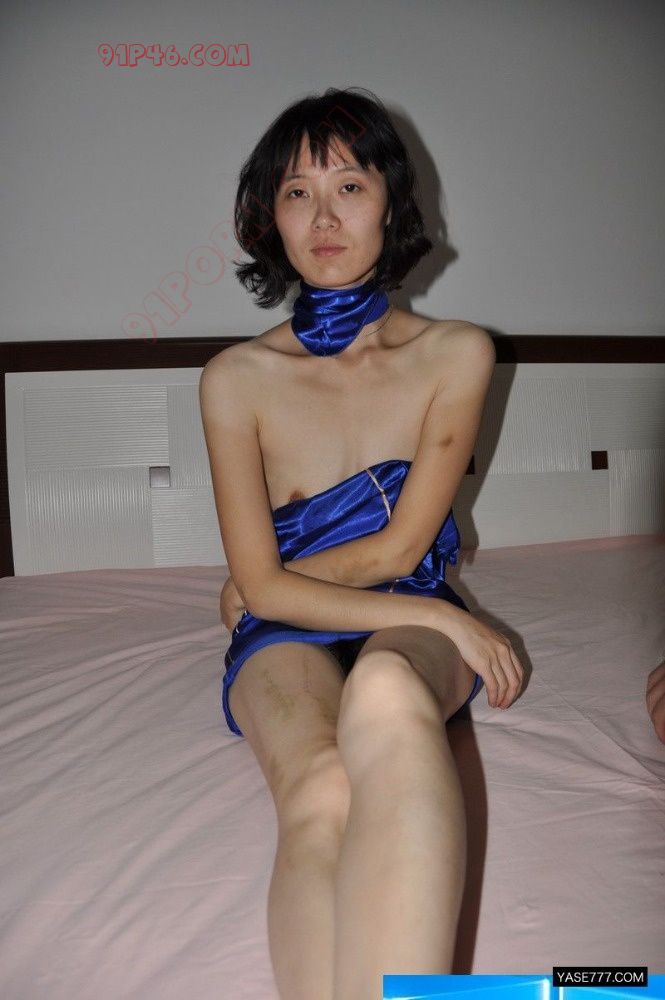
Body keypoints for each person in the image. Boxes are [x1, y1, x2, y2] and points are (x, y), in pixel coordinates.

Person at [198, 86, 524, 1000]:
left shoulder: (457, 353)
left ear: (391, 203)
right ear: (270, 219)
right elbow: (263, 595)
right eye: (296, 193)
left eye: (348, 186)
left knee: (385, 689)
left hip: (402, 598)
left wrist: (265, 584)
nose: (323, 217)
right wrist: (262, 590)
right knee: (319, 787)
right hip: (288, 625)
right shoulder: (235, 378)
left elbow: (397, 551)